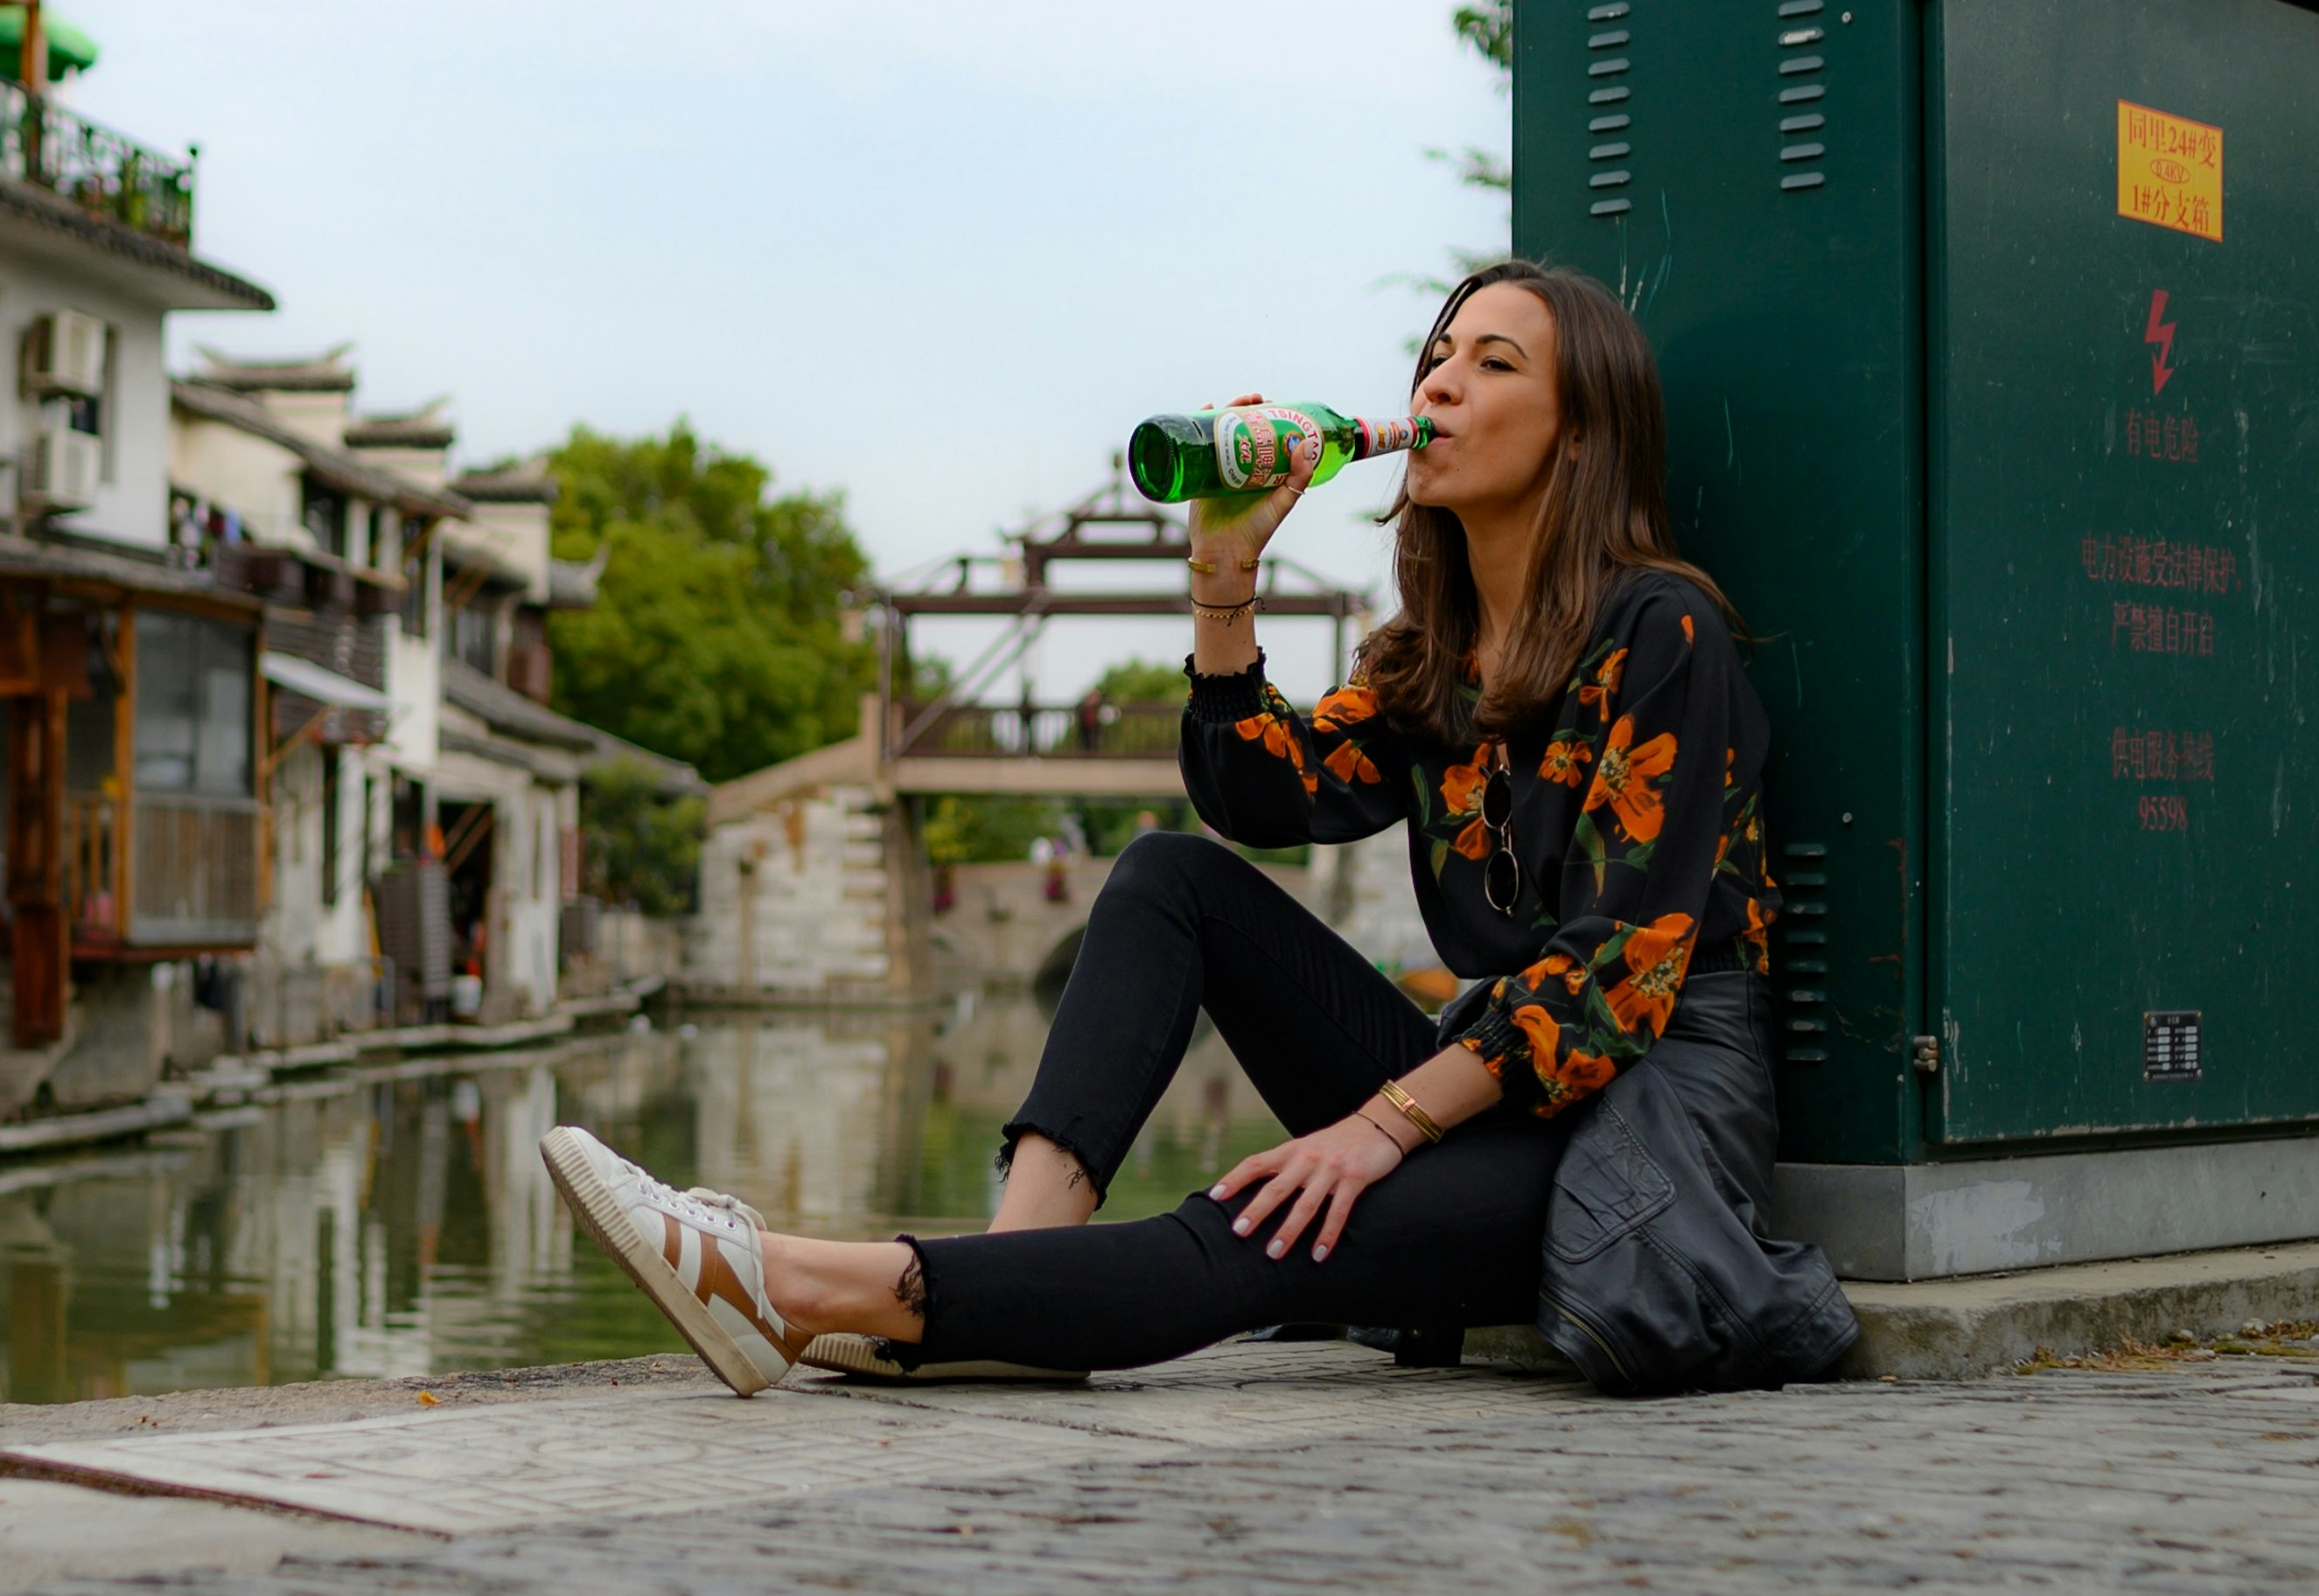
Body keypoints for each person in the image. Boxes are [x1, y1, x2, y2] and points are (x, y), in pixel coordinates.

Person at [543, 260, 1785, 1393]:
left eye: (1493, 364)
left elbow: (1617, 981)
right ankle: (1013, 1285)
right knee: (1167, 878)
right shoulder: (1436, 662)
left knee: (1271, 1216)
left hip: (1628, 1113)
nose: (1442, 384)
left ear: (1580, 436)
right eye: (1438, 357)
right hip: (1487, 1090)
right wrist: (1223, 573)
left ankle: (796, 1280)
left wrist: (1370, 1130)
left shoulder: (1662, 632)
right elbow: (1259, 800)